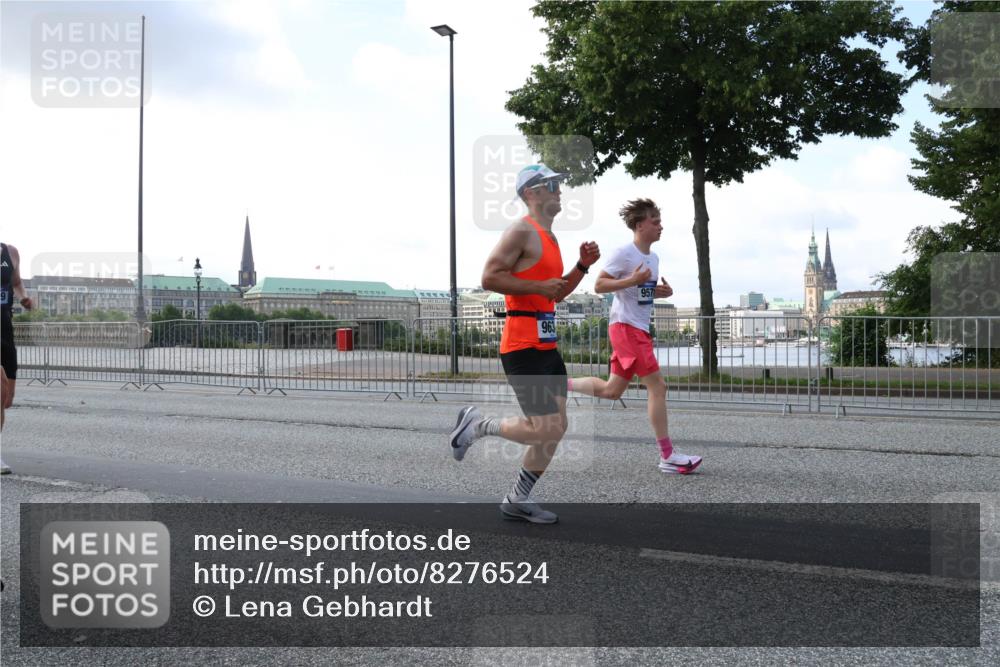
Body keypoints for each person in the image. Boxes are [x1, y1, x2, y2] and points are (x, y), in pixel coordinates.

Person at [449, 164, 600, 524]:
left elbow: (556, 294)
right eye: (551, 185)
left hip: (546, 346)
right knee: (545, 428)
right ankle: (477, 426)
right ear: (531, 193)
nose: (559, 190)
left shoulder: (550, 238)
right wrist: (535, 288)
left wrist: (580, 266)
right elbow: (488, 277)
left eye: (558, 185)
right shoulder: (521, 230)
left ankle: (517, 499)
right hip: (522, 345)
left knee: (555, 429)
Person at [567, 199, 702, 474]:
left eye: (659, 221)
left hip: (636, 328)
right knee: (658, 387)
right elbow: (600, 284)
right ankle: (668, 456)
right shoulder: (624, 253)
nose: (660, 226)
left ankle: (560, 384)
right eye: (655, 221)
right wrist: (631, 280)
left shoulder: (653, 258)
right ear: (640, 225)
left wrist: (659, 293)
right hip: (625, 328)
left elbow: (640, 294)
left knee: (612, 391)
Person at [1, 242, 33, 475]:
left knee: (6, 399)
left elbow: (17, 283)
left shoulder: (9, 252)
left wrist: (24, 298)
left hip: (4, 329)